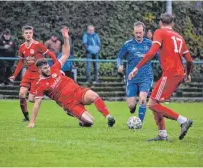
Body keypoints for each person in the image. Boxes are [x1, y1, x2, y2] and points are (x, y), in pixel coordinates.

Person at [27, 28, 115, 128]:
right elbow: (36, 104)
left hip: (78, 91)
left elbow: (66, 54)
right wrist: (32, 122)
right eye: (45, 69)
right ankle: (78, 116)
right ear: (39, 70)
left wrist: (66, 38)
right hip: (69, 104)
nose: (48, 69)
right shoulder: (41, 84)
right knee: (90, 122)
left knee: (94, 95)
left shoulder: (54, 68)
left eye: (47, 67)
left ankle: (108, 117)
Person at [129, 13, 193, 141]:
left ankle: (183, 120)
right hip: (178, 73)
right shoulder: (179, 37)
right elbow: (189, 60)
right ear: (173, 23)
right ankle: (162, 134)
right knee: (154, 101)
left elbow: (152, 52)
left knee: (152, 104)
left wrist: (136, 68)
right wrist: (188, 73)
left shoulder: (160, 32)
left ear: (160, 22)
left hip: (170, 73)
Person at [9, 25, 57, 122]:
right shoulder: (21, 47)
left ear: (32, 33)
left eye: (30, 33)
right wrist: (14, 75)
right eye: (26, 33)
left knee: (31, 99)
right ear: (23, 34)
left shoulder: (38, 45)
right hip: (28, 73)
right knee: (21, 95)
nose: (28, 35)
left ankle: (49, 95)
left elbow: (51, 54)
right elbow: (21, 62)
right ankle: (26, 117)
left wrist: (56, 67)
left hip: (37, 75)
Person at [117, 21, 156, 124]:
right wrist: (119, 65)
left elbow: (159, 56)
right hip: (132, 78)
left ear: (143, 32)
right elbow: (119, 57)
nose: (138, 35)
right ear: (133, 32)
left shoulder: (150, 44)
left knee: (143, 99)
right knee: (130, 105)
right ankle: (133, 107)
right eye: (136, 33)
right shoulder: (128, 44)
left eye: (140, 32)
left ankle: (139, 123)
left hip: (146, 77)